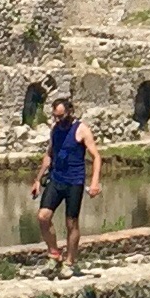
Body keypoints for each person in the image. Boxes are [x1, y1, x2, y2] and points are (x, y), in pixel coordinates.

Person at [34, 91, 97, 275]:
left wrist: (94, 182)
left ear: (69, 112)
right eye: (55, 116)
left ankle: (70, 262)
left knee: (71, 223)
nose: (58, 120)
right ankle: (54, 254)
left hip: (74, 181)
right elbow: (49, 154)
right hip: (56, 178)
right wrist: (37, 179)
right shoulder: (55, 129)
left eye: (61, 116)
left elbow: (96, 157)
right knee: (43, 216)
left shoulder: (81, 129)